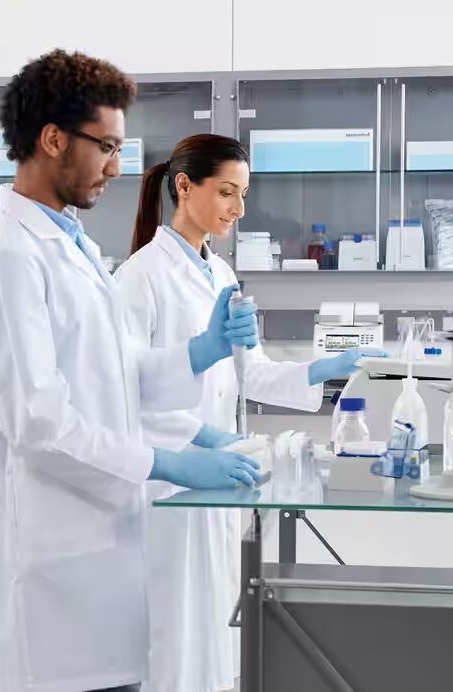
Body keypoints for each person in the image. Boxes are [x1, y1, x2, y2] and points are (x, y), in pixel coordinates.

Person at [0, 50, 265, 692]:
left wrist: (198, 354)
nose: (117, 167)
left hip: (100, 543)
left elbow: (113, 370)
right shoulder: (11, 258)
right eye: (106, 147)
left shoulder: (71, 242)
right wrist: (167, 462)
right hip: (52, 560)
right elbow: (40, 426)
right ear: (52, 140)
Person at [114, 134, 381, 692]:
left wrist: (332, 366)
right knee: (170, 632)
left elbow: (252, 373)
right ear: (184, 187)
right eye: (227, 193)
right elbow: (122, 392)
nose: (238, 209)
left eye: (244, 194)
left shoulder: (223, 274)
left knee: (210, 627)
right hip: (166, 480)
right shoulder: (139, 278)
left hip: (216, 479)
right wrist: (203, 436)